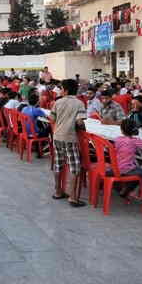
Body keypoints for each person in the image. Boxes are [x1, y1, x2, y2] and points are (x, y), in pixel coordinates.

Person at [48, 79, 87, 207]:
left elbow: (51, 119)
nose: (60, 90)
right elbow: (80, 122)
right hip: (70, 138)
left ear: (66, 90)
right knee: (74, 167)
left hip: (57, 137)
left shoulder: (57, 102)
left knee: (58, 164)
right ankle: (73, 197)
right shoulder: (79, 103)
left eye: (61, 88)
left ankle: (58, 192)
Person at [114, 119, 142, 199]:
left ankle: (126, 190)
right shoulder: (134, 141)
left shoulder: (117, 139)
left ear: (121, 130)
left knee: (138, 170)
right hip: (127, 169)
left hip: (116, 167)